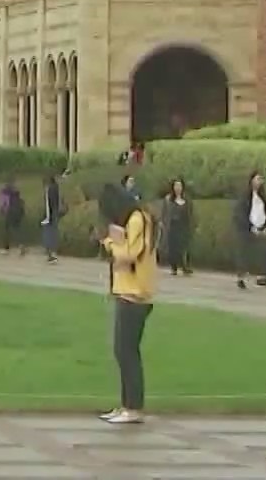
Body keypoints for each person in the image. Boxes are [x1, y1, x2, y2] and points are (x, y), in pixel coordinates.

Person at [97, 182, 156, 425]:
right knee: (122, 351)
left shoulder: (137, 219)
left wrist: (109, 242)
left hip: (135, 294)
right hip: (126, 291)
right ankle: (126, 405)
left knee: (127, 352)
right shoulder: (133, 220)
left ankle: (134, 407)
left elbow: (130, 254)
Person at [231, 170, 266, 289]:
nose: (260, 182)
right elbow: (240, 214)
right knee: (244, 253)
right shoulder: (244, 195)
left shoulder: (264, 195)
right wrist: (250, 227)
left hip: (261, 227)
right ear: (251, 180)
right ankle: (241, 277)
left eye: (261, 179)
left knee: (262, 252)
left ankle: (262, 277)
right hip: (246, 229)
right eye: (257, 179)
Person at [158, 178, 193, 275]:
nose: (178, 188)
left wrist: (192, 224)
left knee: (184, 246)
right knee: (173, 247)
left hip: (183, 225)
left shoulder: (187, 199)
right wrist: (162, 223)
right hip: (173, 226)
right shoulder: (168, 199)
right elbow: (164, 213)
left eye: (180, 185)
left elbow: (190, 213)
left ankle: (185, 266)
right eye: (176, 185)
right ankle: (174, 266)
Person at [38, 172, 63, 263]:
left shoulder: (49, 190)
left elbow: (49, 204)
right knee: (53, 234)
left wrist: (47, 217)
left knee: (48, 234)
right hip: (54, 213)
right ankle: (53, 253)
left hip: (50, 215)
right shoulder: (56, 187)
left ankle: (51, 254)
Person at [0, 179, 26, 254]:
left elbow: (3, 203)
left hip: (9, 213)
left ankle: (6, 248)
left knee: (7, 231)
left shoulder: (4, 192)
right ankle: (21, 245)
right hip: (18, 213)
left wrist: (2, 211)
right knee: (17, 230)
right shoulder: (16, 193)